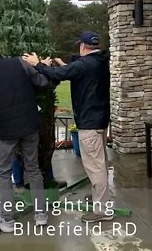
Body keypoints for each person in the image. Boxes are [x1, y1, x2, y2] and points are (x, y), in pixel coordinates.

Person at [23, 30, 113, 223]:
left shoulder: (85, 64)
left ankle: (102, 209)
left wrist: (36, 64)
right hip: (99, 120)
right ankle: (101, 199)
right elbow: (76, 72)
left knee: (95, 167)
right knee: (100, 163)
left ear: (82, 46)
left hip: (90, 122)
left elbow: (59, 74)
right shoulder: (99, 61)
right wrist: (66, 65)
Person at [0, 43, 50, 233]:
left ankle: (7, 219)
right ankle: (41, 215)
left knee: (3, 173)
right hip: (30, 125)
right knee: (33, 168)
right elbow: (42, 83)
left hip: (5, 131)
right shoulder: (20, 63)